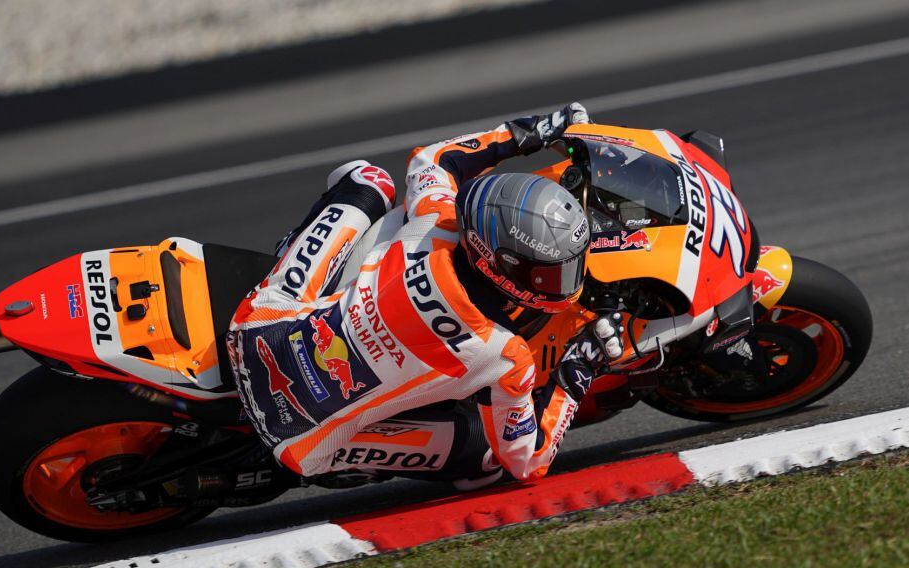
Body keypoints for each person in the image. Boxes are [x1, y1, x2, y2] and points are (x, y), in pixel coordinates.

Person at [226, 102, 625, 486]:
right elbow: (527, 461)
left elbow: (432, 159)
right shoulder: (506, 355)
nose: (565, 282)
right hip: (297, 439)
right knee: (486, 458)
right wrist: (577, 371)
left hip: (255, 329)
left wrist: (524, 134)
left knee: (369, 181)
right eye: (550, 274)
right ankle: (339, 463)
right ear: (502, 268)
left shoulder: (436, 221)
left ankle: (292, 254)